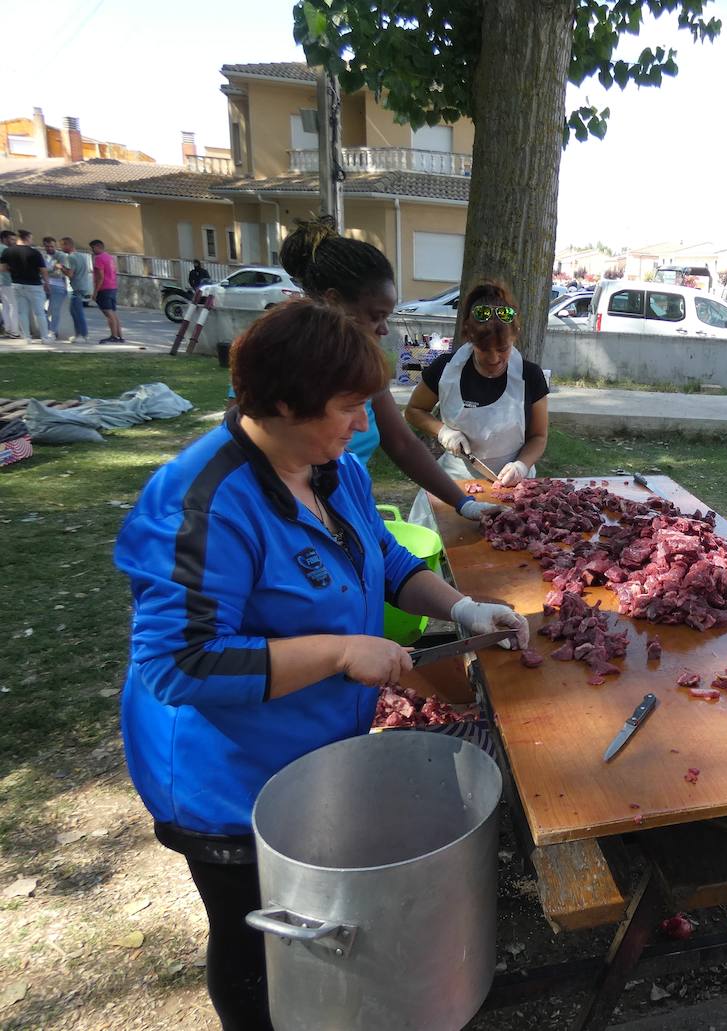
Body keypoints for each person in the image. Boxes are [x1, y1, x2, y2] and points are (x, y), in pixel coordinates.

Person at [115, 299, 529, 1031]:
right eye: (347, 407)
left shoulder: (330, 469)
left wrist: (463, 609)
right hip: (224, 777)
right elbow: (178, 663)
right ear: (281, 401)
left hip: (310, 751)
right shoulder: (202, 502)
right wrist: (339, 651)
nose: (366, 426)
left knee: (313, 938)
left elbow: (389, 559)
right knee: (257, 939)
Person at [274, 217, 501, 524]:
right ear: (333, 302)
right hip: (289, 518)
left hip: (346, 511)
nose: (383, 330)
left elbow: (401, 442)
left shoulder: (365, 364)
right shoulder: (275, 360)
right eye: (375, 316)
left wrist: (463, 502)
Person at [403, 280, 551, 527]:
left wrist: (521, 465)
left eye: (502, 349)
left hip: (513, 484)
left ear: (515, 335)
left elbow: (538, 436)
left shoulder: (530, 376)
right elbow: (414, 411)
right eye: (484, 350)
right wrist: (443, 431)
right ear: (469, 337)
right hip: (455, 482)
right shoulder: (445, 369)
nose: (494, 358)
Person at [0, 229, 51, 341]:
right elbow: (43, 270)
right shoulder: (34, 253)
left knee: (21, 311)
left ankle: (26, 336)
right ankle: (44, 336)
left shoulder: (7, 252)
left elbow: (2, 268)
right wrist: (47, 282)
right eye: (31, 238)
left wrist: (13, 270)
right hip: (34, 284)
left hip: (16, 284)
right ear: (27, 238)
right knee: (39, 312)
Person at [89, 239, 124, 343]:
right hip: (112, 287)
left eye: (93, 248)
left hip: (104, 288)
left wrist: (95, 292)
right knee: (113, 312)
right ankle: (119, 335)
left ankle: (114, 336)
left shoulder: (99, 258)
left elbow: (100, 276)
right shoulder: (109, 257)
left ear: (98, 247)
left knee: (108, 313)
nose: (92, 251)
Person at [60, 237, 92, 342]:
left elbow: (70, 274)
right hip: (83, 285)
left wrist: (61, 268)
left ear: (67, 245)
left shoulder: (71, 258)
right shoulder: (82, 256)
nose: (61, 248)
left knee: (77, 312)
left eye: (62, 245)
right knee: (74, 311)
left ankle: (83, 335)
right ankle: (80, 334)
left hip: (76, 287)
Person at [41, 236, 70, 341]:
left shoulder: (61, 256)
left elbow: (59, 273)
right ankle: (49, 328)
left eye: (52, 246)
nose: (49, 248)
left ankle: (52, 332)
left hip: (58, 286)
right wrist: (51, 269)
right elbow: (43, 271)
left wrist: (45, 271)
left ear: (55, 246)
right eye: (47, 246)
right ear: (44, 246)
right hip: (43, 285)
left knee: (54, 310)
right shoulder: (43, 256)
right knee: (39, 309)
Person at [0, 230, 18, 338]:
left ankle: (7, 329)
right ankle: (14, 331)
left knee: (6, 306)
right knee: (13, 306)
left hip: (1, 282)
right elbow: (7, 267)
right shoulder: (6, 250)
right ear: (4, 239)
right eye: (11, 239)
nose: (14, 242)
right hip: (7, 280)